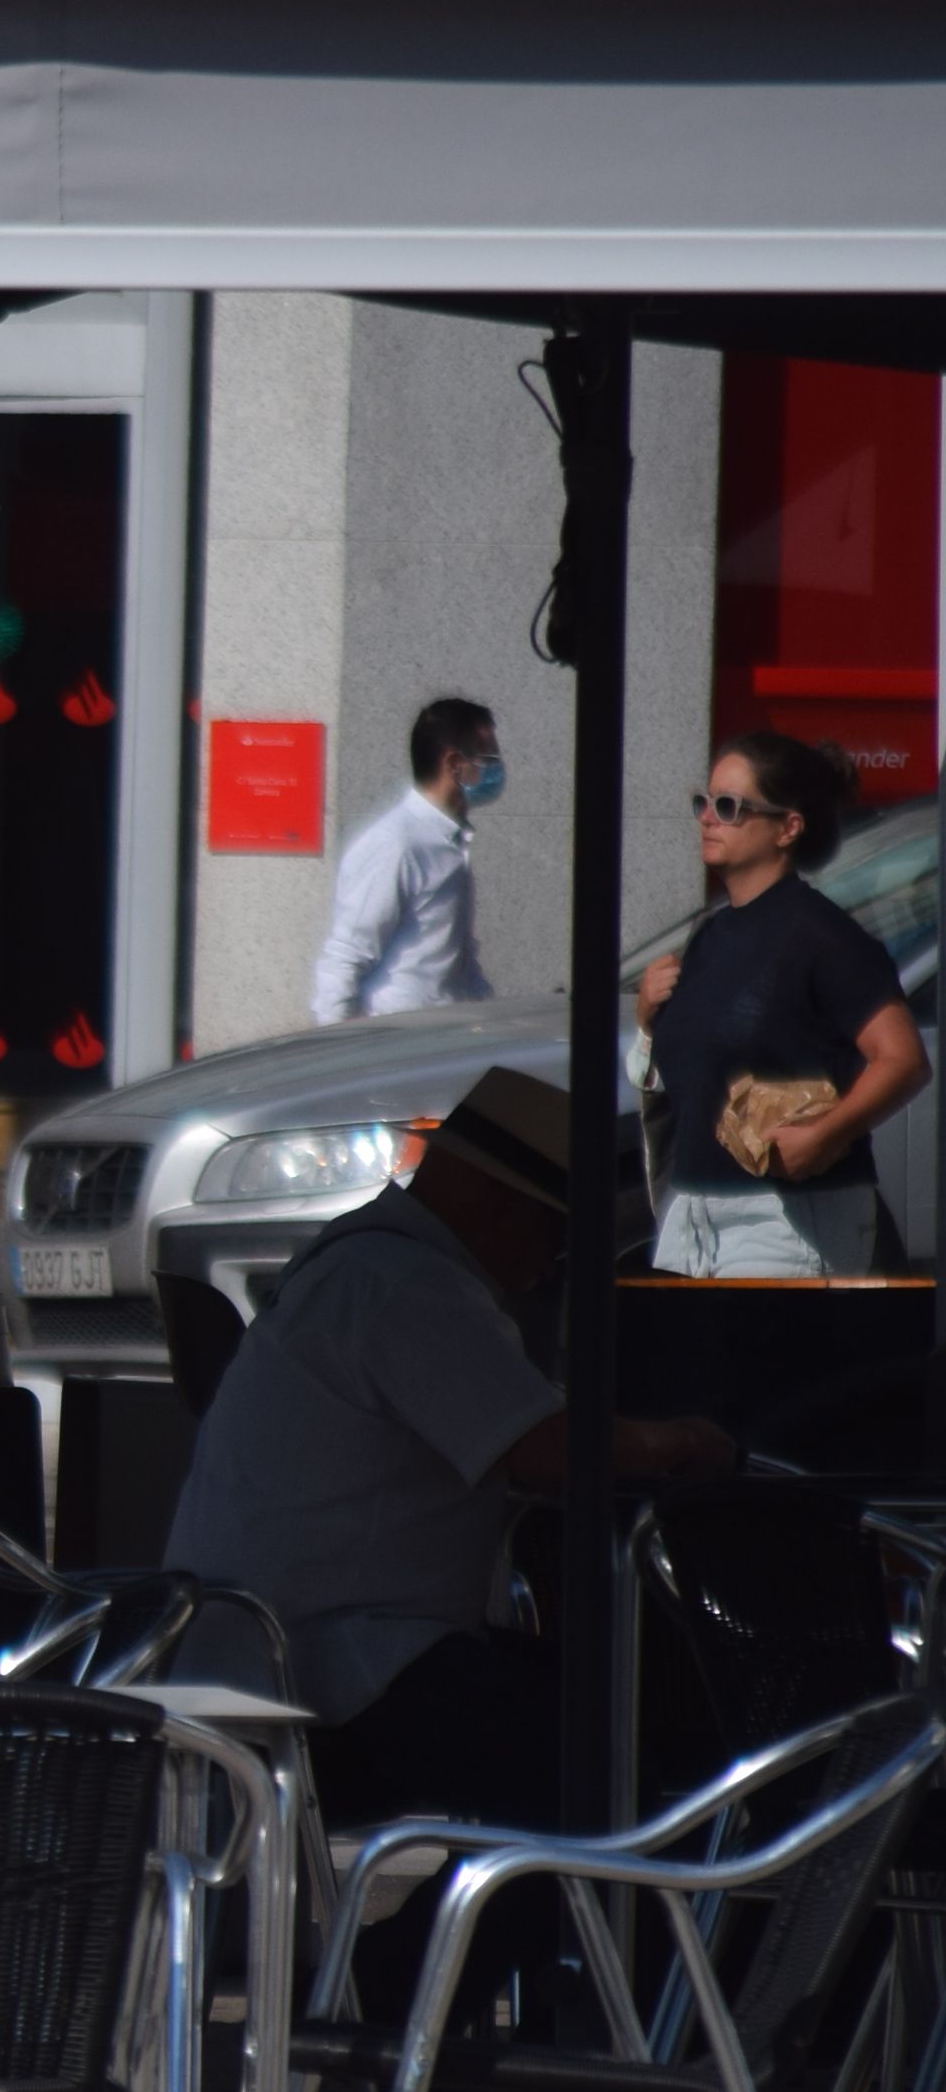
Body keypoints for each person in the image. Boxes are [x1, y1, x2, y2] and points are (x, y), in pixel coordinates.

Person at [169, 1068, 735, 1833]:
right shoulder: (403, 1283)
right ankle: (478, 1947)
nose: (550, 1266)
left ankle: (453, 1942)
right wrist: (683, 1439)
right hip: (332, 1664)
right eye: (554, 1234)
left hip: (292, 1645)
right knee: (608, 1747)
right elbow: (546, 1450)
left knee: (581, 1720)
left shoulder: (362, 1265)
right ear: (499, 1205)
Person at [633, 731, 927, 1278]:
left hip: (786, 1223)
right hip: (691, 1223)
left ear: (787, 828)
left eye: (729, 807)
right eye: (704, 802)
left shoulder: (822, 937)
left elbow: (905, 1061)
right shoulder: (709, 935)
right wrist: (648, 1025)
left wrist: (825, 1135)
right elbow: (686, 1080)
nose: (707, 818)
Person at [307, 698, 502, 1023]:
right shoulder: (395, 844)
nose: (495, 769)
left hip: (448, 1035)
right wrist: (339, 1053)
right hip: (402, 1040)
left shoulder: (449, 843)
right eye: (488, 759)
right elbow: (347, 954)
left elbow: (454, 959)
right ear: (454, 764)